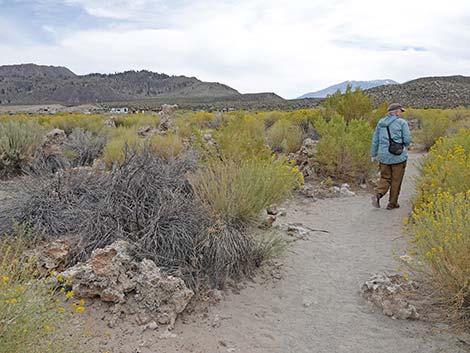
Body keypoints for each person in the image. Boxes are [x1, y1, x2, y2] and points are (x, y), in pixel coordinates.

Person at [370, 103, 412, 209]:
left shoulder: (380, 123)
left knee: (385, 177)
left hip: (383, 156)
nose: (401, 114)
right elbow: (407, 140)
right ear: (397, 112)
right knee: (396, 180)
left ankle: (378, 195)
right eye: (400, 111)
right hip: (398, 156)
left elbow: (375, 140)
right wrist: (405, 146)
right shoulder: (402, 123)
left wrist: (373, 154)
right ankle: (392, 203)